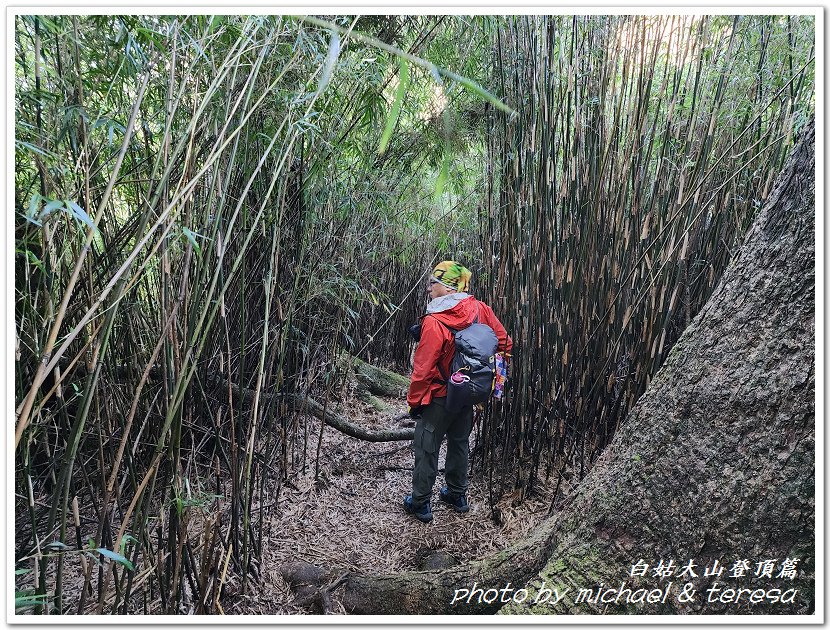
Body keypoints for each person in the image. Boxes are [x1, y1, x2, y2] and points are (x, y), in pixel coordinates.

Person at [404, 260, 512, 523]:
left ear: (450, 288)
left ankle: (420, 503)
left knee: (426, 446)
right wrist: (482, 374)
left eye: (434, 283)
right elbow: (504, 342)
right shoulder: (479, 309)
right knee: (459, 442)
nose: (428, 288)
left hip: (440, 395)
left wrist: (414, 401)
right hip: (468, 393)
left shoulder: (435, 321)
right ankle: (457, 495)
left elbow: (424, 367)